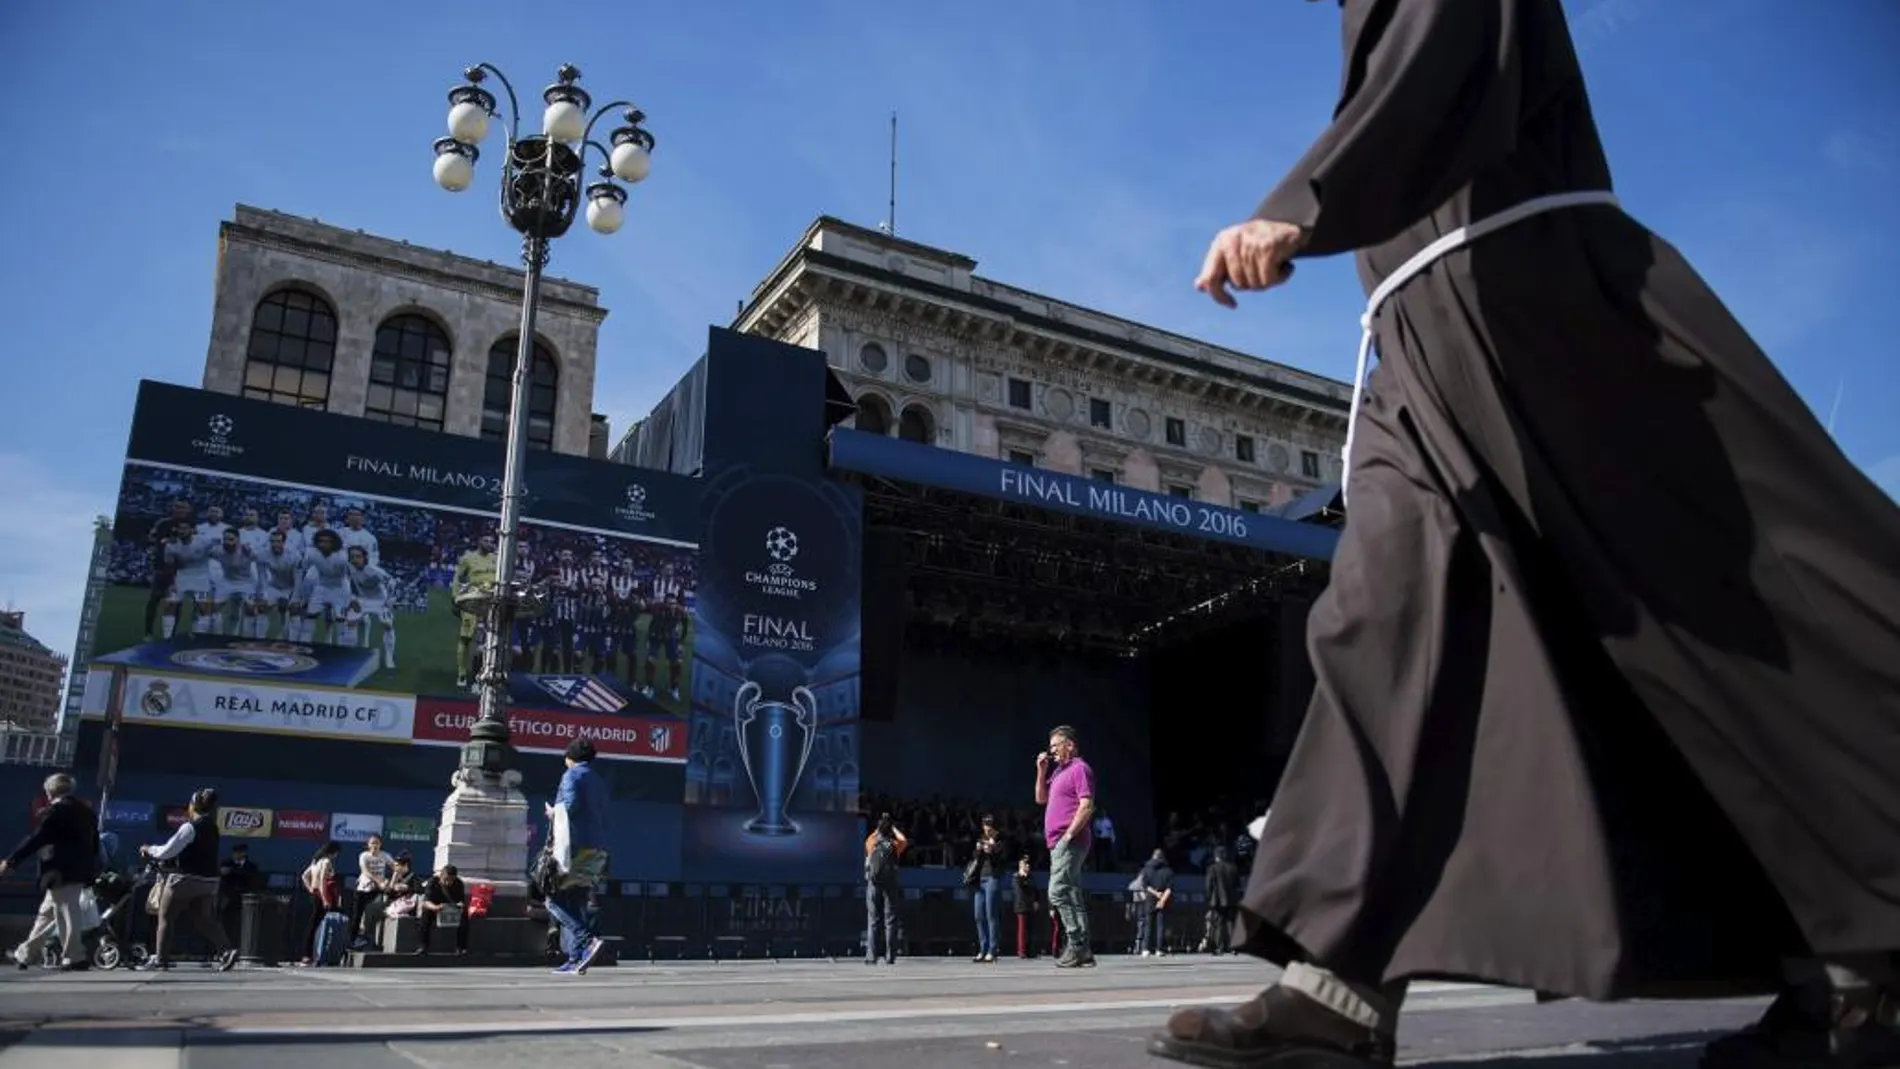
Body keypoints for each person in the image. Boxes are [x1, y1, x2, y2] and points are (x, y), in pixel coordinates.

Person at [1150, 1, 1900, 1067]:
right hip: (1416, 340)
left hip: (1537, 301)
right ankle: (1340, 984)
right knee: (1382, 621)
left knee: (1713, 626)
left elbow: (1439, 54)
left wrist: (1305, 203)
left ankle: (1862, 960)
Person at [1, 774, 101, 972]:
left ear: (50, 791)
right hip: (79, 869)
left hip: (59, 870)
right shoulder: (86, 812)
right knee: (46, 914)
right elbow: (94, 844)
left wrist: (11, 861)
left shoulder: (56, 811)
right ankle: (26, 954)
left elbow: (37, 839)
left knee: (67, 910)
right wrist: (91, 869)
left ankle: (75, 956)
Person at [137, 789, 239, 972]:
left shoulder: (190, 827)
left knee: (166, 917)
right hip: (209, 882)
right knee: (203, 918)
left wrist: (149, 848)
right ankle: (227, 950)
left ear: (193, 806)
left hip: (186, 880)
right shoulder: (213, 828)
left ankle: (161, 959)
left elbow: (168, 851)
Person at [546, 737, 611, 975]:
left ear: (569, 757)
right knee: (578, 901)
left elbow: (570, 805)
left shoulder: (571, 775)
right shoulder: (599, 781)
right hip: (598, 849)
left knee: (553, 900)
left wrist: (553, 813)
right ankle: (575, 959)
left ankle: (587, 940)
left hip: (576, 848)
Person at [1034, 725, 1096, 969]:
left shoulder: (1080, 769)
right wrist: (1041, 771)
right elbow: (1041, 798)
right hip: (1059, 842)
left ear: (1070, 745)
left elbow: (1087, 805)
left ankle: (1076, 945)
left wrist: (1069, 835)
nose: (1052, 752)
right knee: (1072, 894)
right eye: (1050, 748)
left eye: (1055, 746)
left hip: (1069, 841)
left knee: (1056, 892)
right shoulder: (1059, 772)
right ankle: (1084, 950)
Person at [863, 812, 906, 965]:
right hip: (891, 883)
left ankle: (871, 956)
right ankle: (890, 956)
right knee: (891, 920)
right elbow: (903, 840)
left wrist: (878, 829)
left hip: (874, 883)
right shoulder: (895, 845)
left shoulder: (871, 842)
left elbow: (870, 840)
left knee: (873, 920)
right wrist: (893, 828)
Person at [968, 815, 1006, 963]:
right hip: (979, 879)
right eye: (985, 824)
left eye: (990, 825)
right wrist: (978, 850)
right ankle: (982, 949)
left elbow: (1003, 859)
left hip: (992, 878)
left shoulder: (1001, 841)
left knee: (991, 914)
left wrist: (993, 849)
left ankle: (992, 949)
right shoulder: (981, 838)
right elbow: (974, 858)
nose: (987, 827)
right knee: (978, 915)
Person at [299, 841, 343, 966]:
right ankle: (309, 955)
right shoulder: (326, 862)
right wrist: (324, 899)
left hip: (315, 894)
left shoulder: (315, 861)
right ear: (334, 852)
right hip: (321, 895)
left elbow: (304, 876)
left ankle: (308, 955)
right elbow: (323, 880)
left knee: (313, 925)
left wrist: (310, 889)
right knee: (316, 926)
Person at [351, 834, 393, 948]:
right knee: (357, 916)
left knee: (376, 913)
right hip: (362, 889)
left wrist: (389, 881)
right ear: (368, 845)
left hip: (377, 890)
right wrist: (379, 881)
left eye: (377, 843)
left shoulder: (385, 855)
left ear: (381, 844)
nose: (375, 845)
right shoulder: (364, 855)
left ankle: (375, 940)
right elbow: (365, 871)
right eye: (372, 843)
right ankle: (353, 940)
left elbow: (395, 867)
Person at [418, 864, 471, 957]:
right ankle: (423, 946)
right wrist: (436, 907)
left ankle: (461, 948)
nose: (448, 882)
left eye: (451, 880)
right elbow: (426, 902)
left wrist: (459, 906)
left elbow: (461, 901)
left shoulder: (458, 883)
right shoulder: (433, 882)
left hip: (451, 909)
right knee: (426, 913)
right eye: (446, 879)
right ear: (441, 876)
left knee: (464, 915)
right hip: (435, 908)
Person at [1135, 849, 1176, 958]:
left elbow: (1145, 885)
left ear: (1153, 856)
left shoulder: (1146, 869)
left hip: (1150, 899)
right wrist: (1162, 899)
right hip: (1163, 899)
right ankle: (1159, 949)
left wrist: (1155, 894)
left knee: (1148, 924)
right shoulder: (1168, 871)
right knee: (1161, 925)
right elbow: (1170, 888)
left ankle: (1145, 949)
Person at [1202, 846, 1240, 956]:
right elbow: (1237, 884)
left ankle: (1220, 947)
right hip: (1231, 899)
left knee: (1218, 924)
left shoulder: (1212, 868)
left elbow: (1208, 885)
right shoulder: (1233, 868)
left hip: (1217, 900)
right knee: (1230, 923)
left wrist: (1208, 897)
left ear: (1216, 856)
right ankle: (1233, 947)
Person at [1012, 857, 1043, 960]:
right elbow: (1020, 891)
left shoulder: (1031, 877)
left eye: (1029, 865)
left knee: (1031, 929)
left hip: (1031, 906)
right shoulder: (1016, 877)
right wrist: (1023, 878)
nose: (1028, 867)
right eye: (1026, 865)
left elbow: (1035, 890)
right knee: (1022, 930)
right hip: (1021, 906)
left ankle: (1030, 951)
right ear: (1021, 866)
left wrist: (1036, 901)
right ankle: (1021, 951)